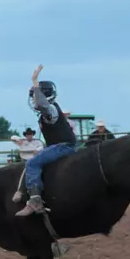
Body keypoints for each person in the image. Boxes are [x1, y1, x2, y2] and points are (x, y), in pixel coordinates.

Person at [15, 65, 78, 216]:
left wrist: (34, 81)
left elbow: (41, 104)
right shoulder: (49, 112)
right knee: (33, 161)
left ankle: (35, 200)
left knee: (32, 163)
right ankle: (24, 191)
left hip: (63, 146)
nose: (33, 100)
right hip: (61, 145)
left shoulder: (51, 110)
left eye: (35, 96)